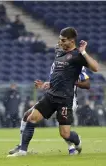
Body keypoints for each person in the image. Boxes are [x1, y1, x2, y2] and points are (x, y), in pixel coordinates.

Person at [7, 27, 99, 157]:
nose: (60, 42)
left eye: (63, 40)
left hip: (65, 100)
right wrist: (48, 84)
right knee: (31, 117)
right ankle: (22, 151)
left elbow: (95, 68)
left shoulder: (77, 56)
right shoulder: (59, 53)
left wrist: (83, 52)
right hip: (51, 96)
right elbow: (60, 76)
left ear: (72, 41)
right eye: (59, 40)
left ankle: (76, 141)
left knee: (65, 134)